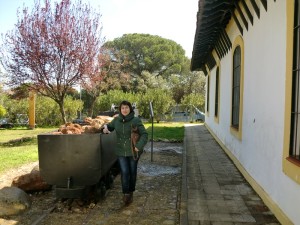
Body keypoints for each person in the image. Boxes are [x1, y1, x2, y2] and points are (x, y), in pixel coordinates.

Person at [103, 100, 148, 205]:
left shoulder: (136, 120)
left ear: (130, 109)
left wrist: (138, 146)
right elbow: (109, 127)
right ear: (120, 110)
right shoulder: (116, 120)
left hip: (133, 152)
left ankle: (131, 191)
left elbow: (144, 134)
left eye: (126, 108)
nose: (124, 110)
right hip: (121, 152)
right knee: (124, 172)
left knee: (132, 173)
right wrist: (104, 129)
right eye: (122, 108)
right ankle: (126, 194)